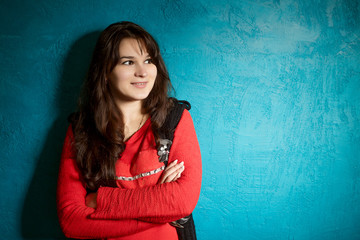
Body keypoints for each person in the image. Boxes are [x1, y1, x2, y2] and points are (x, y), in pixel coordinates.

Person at [56, 21, 202, 240]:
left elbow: (182, 201)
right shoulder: (81, 130)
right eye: (128, 62)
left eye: (148, 60)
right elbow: (71, 221)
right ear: (105, 71)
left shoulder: (174, 119)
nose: (142, 72)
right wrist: (158, 209)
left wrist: (102, 201)